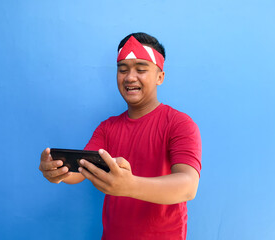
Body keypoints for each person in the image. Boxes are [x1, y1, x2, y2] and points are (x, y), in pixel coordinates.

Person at [39, 32, 202, 240]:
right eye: (122, 70)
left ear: (160, 77)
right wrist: (57, 171)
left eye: (141, 69)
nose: (130, 77)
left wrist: (131, 186)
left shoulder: (180, 124)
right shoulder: (107, 128)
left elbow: (188, 186)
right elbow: (80, 170)